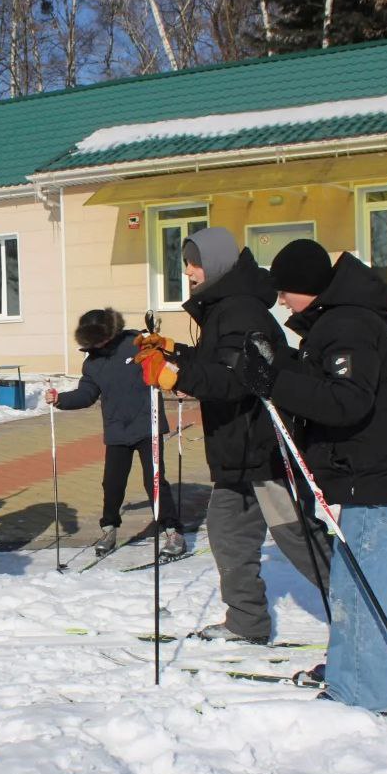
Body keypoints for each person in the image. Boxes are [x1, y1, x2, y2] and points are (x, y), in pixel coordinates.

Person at [236, 239, 387, 714]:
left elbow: (346, 401)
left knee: (363, 589)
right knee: (349, 585)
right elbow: (323, 384)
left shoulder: (347, 324)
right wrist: (277, 368)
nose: (281, 301)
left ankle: (366, 692)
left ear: (307, 287)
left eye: (286, 291)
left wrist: (274, 381)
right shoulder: (339, 320)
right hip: (365, 472)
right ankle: (349, 673)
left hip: (375, 474)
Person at [136, 228, 331, 644]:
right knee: (228, 535)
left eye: (195, 262)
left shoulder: (239, 309)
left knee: (297, 538)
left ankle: (366, 613)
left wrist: (174, 374)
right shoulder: (224, 307)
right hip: (237, 452)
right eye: (185, 262)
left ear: (218, 264)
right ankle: (247, 622)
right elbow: (217, 360)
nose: (188, 271)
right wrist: (173, 350)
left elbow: (235, 378)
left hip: (264, 450)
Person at [45, 307, 186, 559]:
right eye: (91, 341)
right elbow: (86, 394)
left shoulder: (138, 343)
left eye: (99, 338)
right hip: (117, 429)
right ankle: (109, 528)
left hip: (147, 425)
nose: (96, 344)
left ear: (110, 331)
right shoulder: (92, 363)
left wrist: (178, 383)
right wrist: (60, 399)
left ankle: (171, 530)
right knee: (112, 484)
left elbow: (168, 367)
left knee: (153, 480)